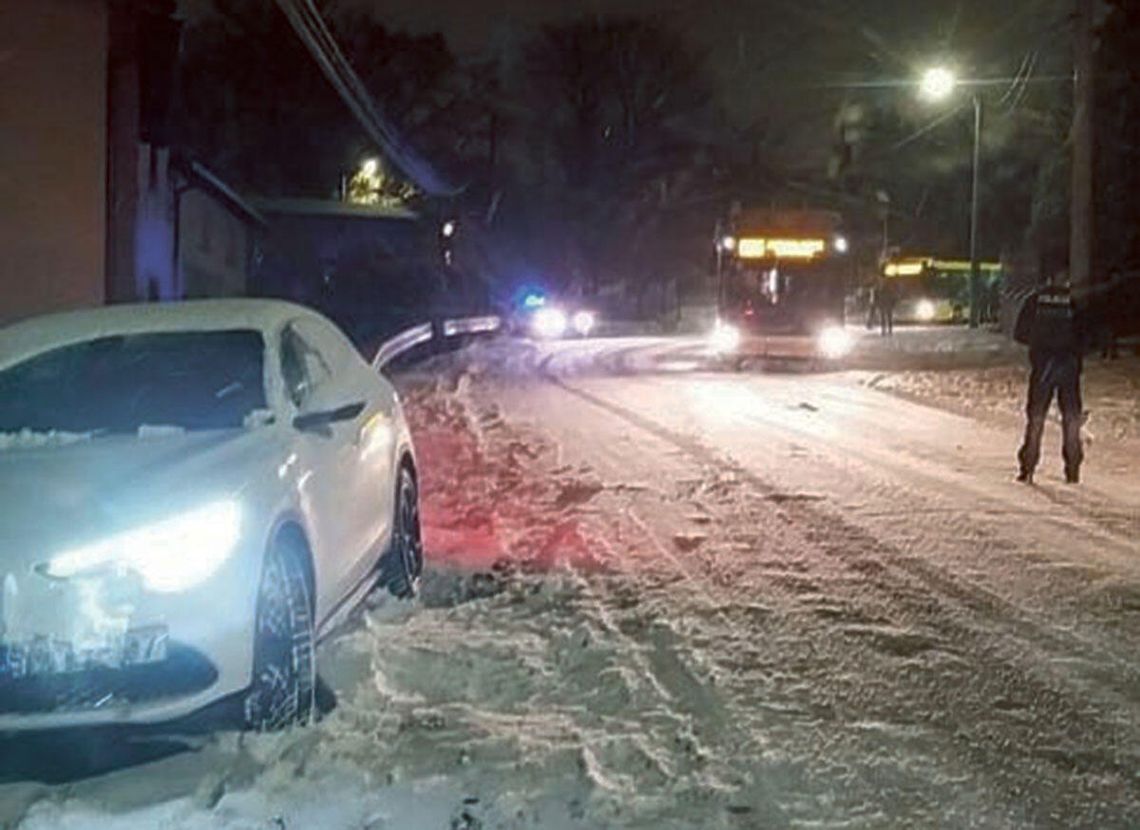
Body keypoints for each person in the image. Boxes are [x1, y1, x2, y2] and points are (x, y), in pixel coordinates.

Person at [1012, 271, 1086, 484]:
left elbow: (1021, 334)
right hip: (1069, 367)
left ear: (1048, 278)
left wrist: (1040, 347)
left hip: (1043, 366)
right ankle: (1072, 469)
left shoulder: (1035, 301)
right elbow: (1086, 336)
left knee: (1036, 418)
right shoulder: (1073, 303)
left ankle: (1028, 467)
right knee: (1071, 419)